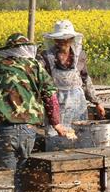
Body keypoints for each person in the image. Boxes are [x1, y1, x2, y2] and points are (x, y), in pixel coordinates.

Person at [0, 34, 76, 192]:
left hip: (5, 131)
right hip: (29, 130)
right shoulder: (36, 67)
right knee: (22, 176)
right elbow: (51, 96)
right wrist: (57, 124)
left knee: (8, 179)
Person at [38, 19, 104, 150]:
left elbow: (85, 79)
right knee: (55, 137)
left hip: (77, 102)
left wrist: (97, 102)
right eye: (59, 39)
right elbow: (39, 82)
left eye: (66, 39)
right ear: (55, 40)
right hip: (56, 101)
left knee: (80, 135)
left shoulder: (79, 55)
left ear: (72, 39)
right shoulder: (46, 57)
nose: (63, 42)